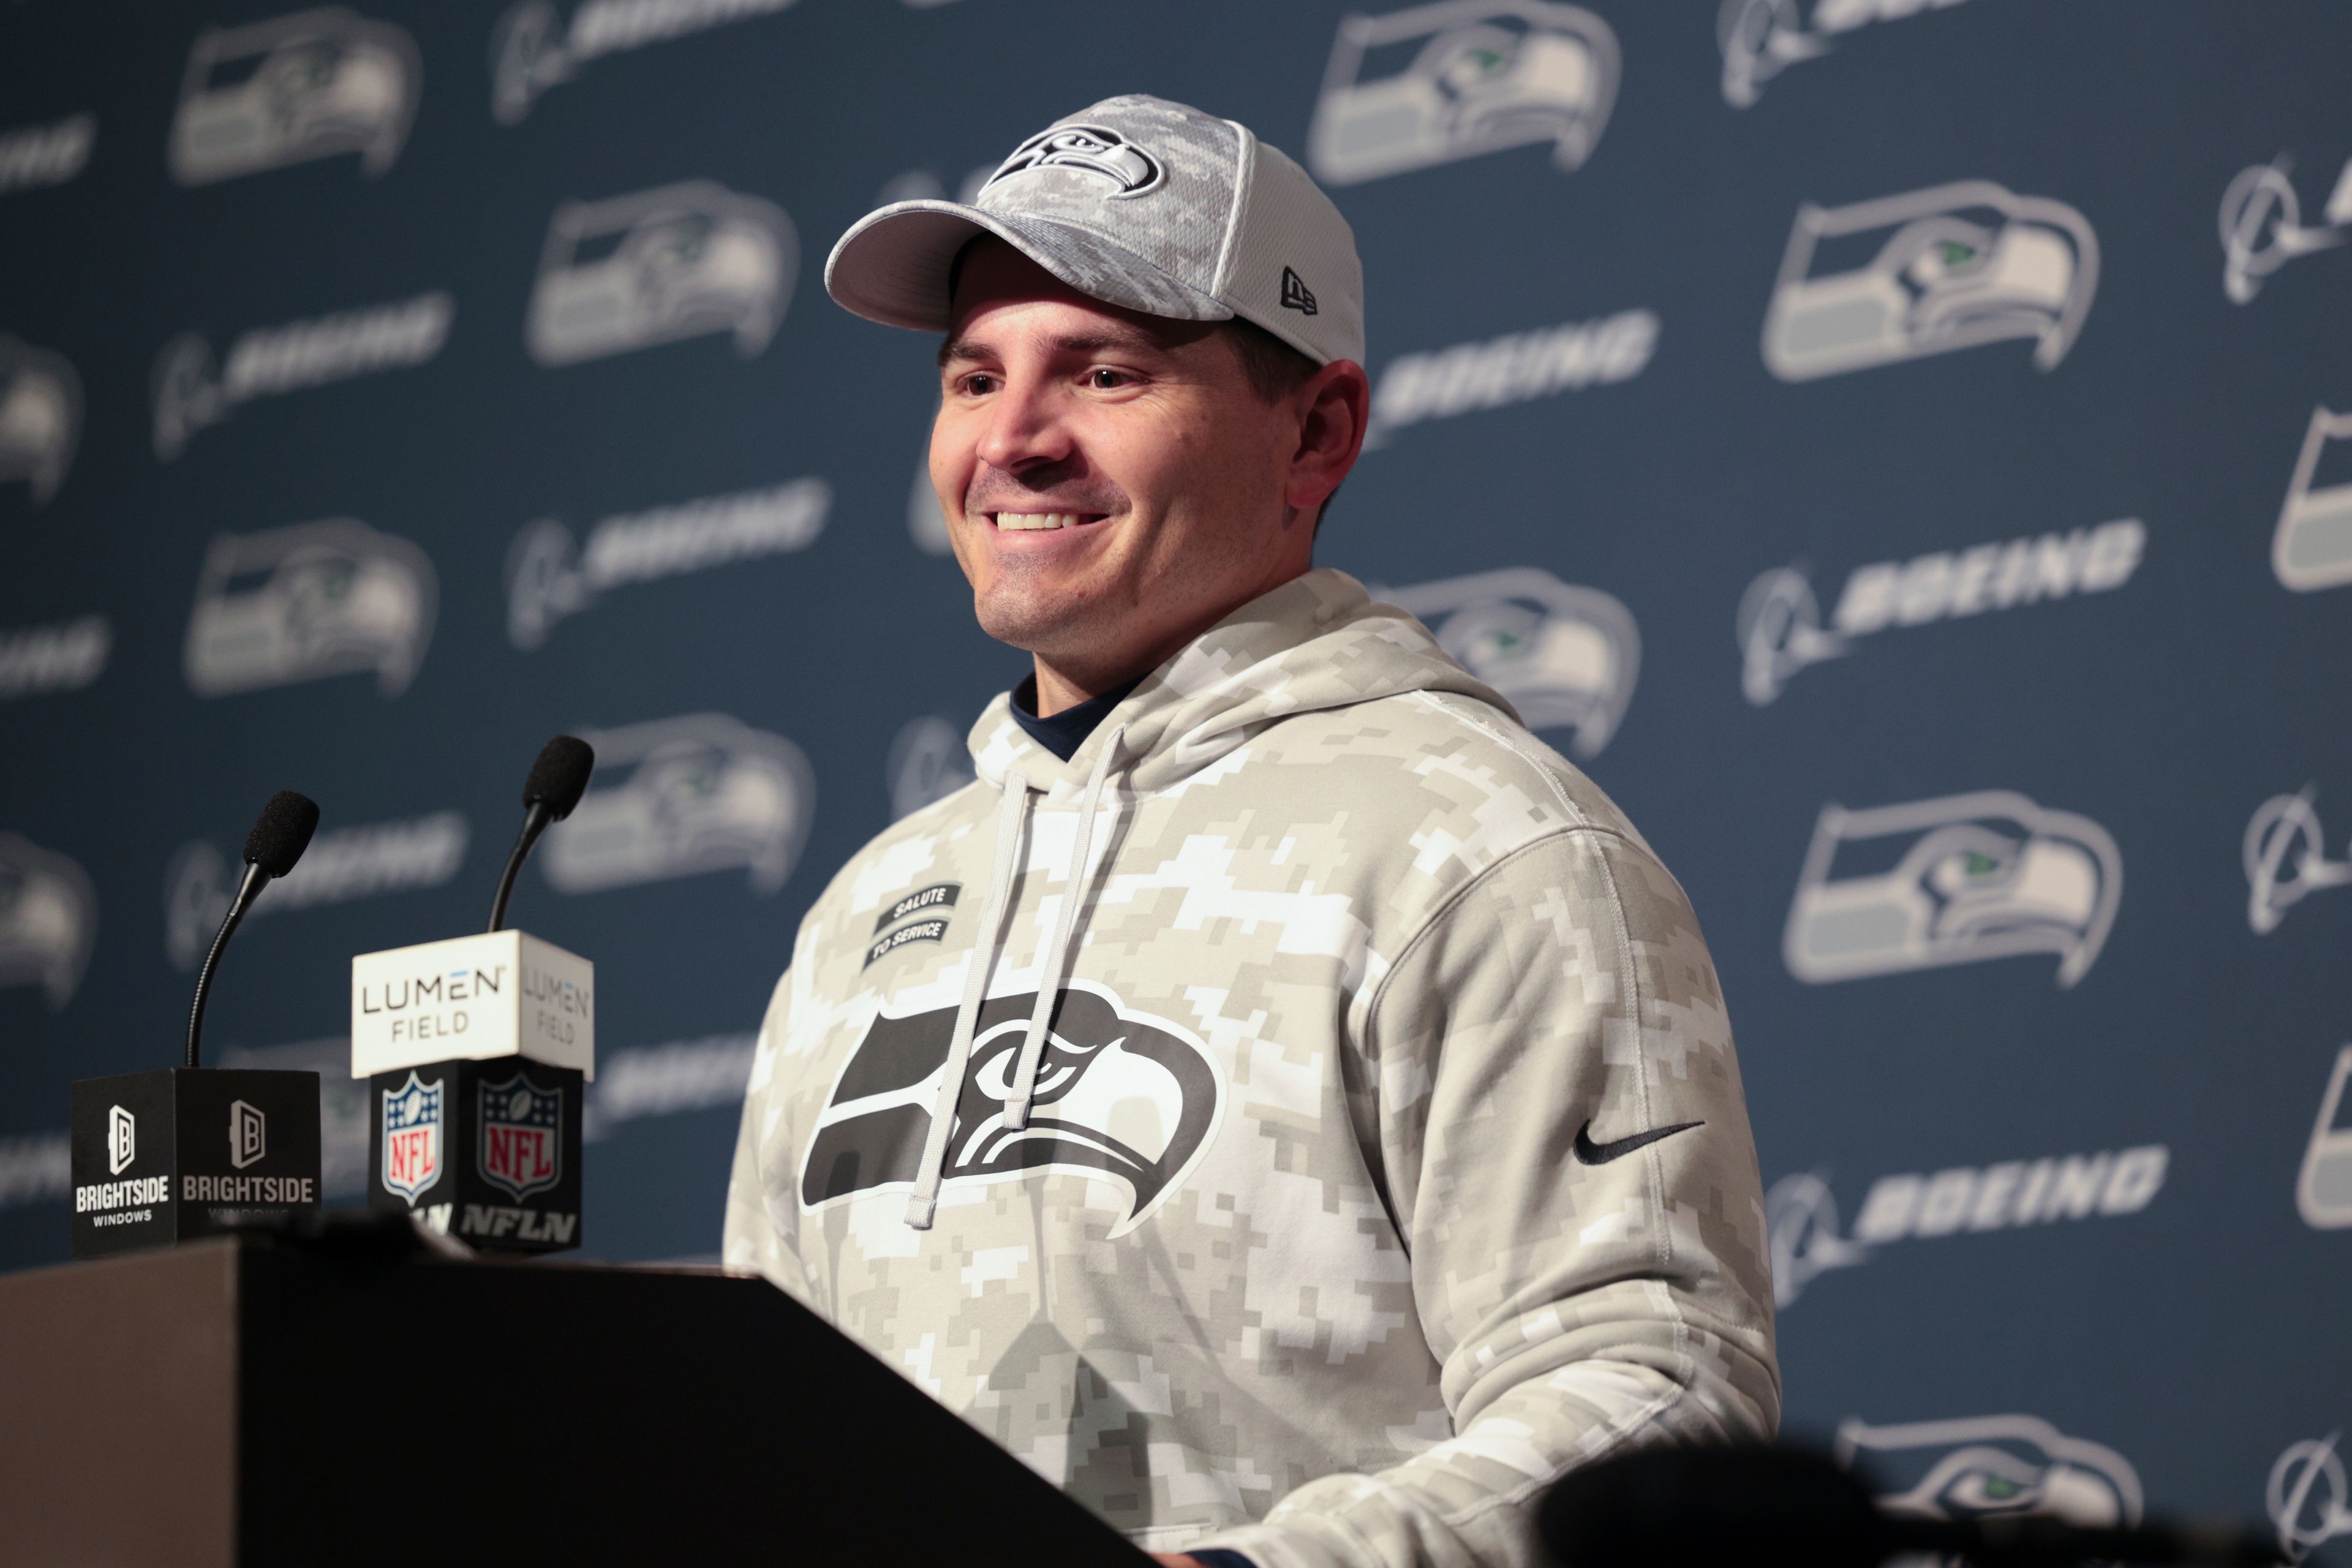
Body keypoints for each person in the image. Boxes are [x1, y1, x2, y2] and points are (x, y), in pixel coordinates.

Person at [723, 94, 1777, 1568]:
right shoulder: (869, 912)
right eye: (974, 377)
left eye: (1103, 371)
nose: (1015, 440)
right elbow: (747, 1445)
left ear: (1318, 430)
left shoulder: (1483, 846)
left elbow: (1662, 1406)